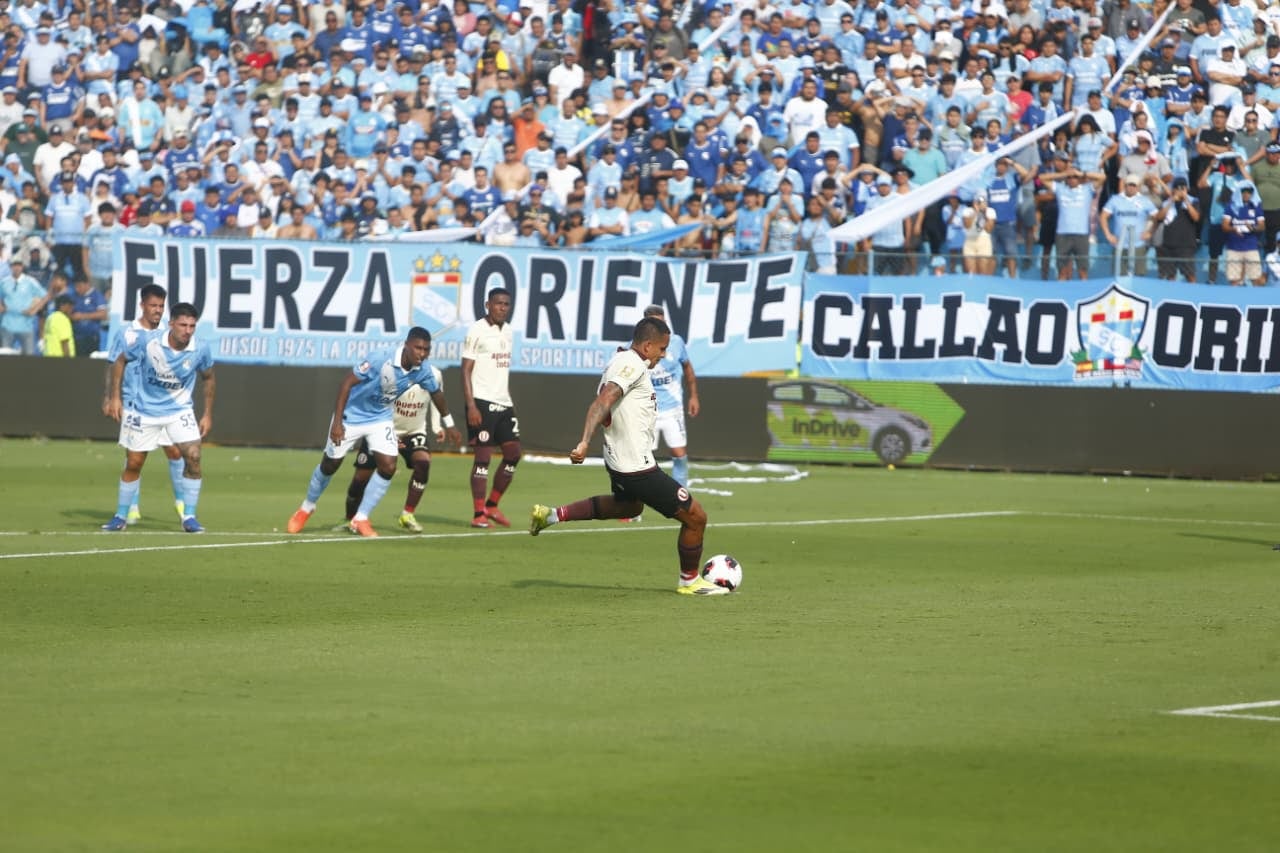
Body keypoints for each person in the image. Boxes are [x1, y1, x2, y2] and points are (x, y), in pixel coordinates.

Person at [529, 316, 729, 596]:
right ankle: (690, 581)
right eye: (662, 348)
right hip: (636, 467)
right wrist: (584, 441)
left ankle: (552, 515)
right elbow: (603, 401)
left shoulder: (621, 361)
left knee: (629, 507)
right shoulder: (630, 365)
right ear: (647, 346)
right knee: (696, 516)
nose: (664, 354)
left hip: (620, 462)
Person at [285, 327, 460, 538]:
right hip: (352, 414)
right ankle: (307, 507)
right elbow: (347, 383)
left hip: (380, 418)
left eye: (426, 349)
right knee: (330, 465)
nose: (422, 354)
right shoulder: (380, 358)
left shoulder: (423, 370)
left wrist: (449, 423)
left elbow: (436, 394)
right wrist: (337, 422)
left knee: (388, 465)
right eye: (418, 348)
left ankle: (361, 518)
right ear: (406, 346)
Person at [102, 302, 216, 534]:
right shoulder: (148, 341)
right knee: (134, 463)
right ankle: (121, 515)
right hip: (144, 411)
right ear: (171, 323)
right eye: (183, 325)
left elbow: (209, 377)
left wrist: (207, 414)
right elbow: (120, 361)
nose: (187, 330)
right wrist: (114, 397)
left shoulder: (200, 348)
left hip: (179, 411)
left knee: (193, 456)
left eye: (192, 326)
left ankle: (189, 516)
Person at [102, 284, 188, 524]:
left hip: (162, 404)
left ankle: (181, 503)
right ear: (142, 305)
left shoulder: (167, 335)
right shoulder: (127, 333)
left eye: (161, 306)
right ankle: (131, 507)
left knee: (174, 450)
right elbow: (113, 365)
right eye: (153, 305)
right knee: (135, 456)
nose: (158, 310)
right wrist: (111, 397)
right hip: (133, 401)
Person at [344, 362, 447, 533]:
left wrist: (437, 427)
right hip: (382, 428)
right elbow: (380, 404)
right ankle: (350, 518)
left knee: (423, 463)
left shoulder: (435, 374)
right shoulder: (393, 375)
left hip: (414, 431)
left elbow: (437, 398)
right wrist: (390, 435)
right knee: (360, 478)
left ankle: (407, 514)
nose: (420, 355)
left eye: (424, 351)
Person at [461, 288, 521, 528]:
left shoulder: (508, 331)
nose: (503, 308)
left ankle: (492, 505)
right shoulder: (476, 330)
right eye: (498, 304)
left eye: (506, 304)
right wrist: (471, 406)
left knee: (513, 454)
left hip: (504, 402)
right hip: (482, 403)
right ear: (488, 305)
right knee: (483, 459)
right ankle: (478, 514)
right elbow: (465, 370)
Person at [640, 304, 699, 490]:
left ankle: (681, 501)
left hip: (673, 409)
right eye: (657, 323)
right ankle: (636, 504)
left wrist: (694, 396)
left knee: (679, 454)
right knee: (642, 459)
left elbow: (687, 367)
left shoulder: (676, 342)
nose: (662, 326)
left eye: (663, 322)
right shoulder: (636, 347)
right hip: (647, 410)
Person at [1223, 181, 1267, 286]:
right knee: (1234, 281)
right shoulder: (1231, 206)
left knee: (1256, 280)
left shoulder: (1256, 206)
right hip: (1234, 248)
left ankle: (1256, 302)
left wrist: (1253, 228)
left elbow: (1262, 225)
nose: (1247, 194)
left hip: (1251, 247)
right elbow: (1224, 226)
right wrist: (1233, 229)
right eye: (1244, 191)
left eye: (1249, 191)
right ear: (1239, 192)